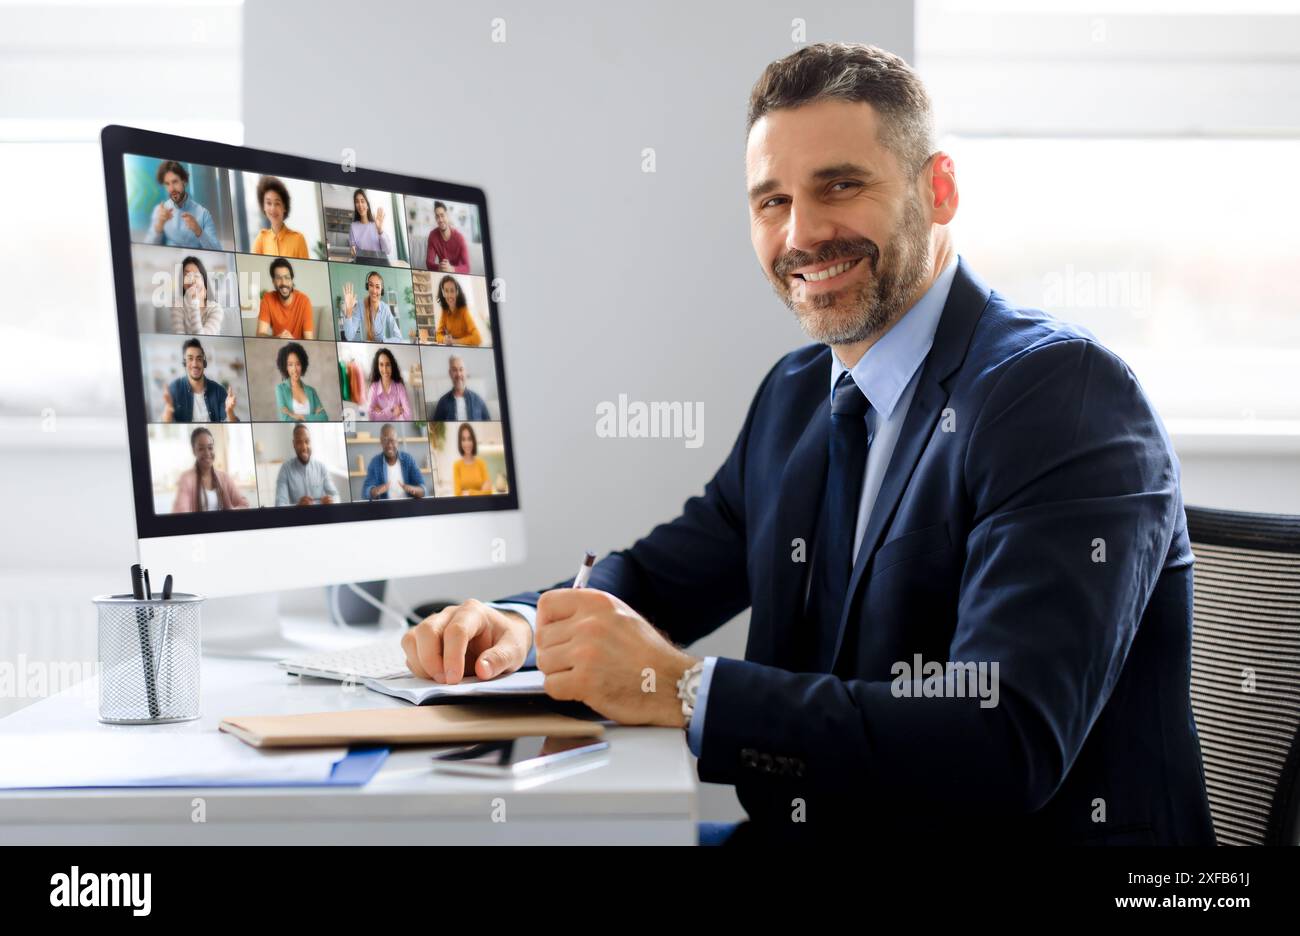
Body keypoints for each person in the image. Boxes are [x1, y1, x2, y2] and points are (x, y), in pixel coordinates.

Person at [399, 43, 1215, 847]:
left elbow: (1004, 743)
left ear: (939, 189)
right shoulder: (797, 395)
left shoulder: (1064, 395)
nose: (803, 233)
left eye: (841, 185)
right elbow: (656, 578)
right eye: (771, 202)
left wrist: (684, 692)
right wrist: (522, 627)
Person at [143, 159, 221, 249]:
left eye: (175, 182)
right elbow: (146, 248)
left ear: (184, 181)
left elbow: (218, 249)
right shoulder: (160, 212)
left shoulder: (203, 214)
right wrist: (159, 226)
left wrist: (198, 231)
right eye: (167, 184)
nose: (171, 189)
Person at [171, 427, 249, 512]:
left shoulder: (224, 477)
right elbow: (180, 513)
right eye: (201, 449)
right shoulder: (186, 479)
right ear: (194, 451)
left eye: (210, 447)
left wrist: (229, 514)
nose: (207, 453)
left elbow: (244, 504)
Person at [162, 338, 238, 423]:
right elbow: (166, 425)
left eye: (199, 359)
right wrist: (168, 409)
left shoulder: (219, 391)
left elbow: (232, 425)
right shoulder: (174, 388)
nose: (195, 364)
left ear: (204, 363)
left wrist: (229, 412)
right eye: (190, 359)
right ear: (184, 363)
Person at [274, 424, 339, 506]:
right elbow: (279, 504)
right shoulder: (285, 469)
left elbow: (335, 495)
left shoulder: (321, 467)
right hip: (298, 518)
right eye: (299, 442)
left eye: (307, 441)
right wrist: (298, 506)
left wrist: (332, 501)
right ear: (294, 444)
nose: (304, 447)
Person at [250, 175, 309, 258]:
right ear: (263, 206)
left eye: (277, 203)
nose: (273, 208)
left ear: (284, 207)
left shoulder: (298, 239)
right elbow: (254, 268)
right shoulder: (261, 239)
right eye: (268, 203)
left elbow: (305, 269)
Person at [361, 423, 425, 500]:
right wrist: (376, 491)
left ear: (397, 441)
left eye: (392, 440)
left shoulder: (408, 459)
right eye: (385, 440)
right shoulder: (375, 463)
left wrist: (413, 489)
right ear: (381, 442)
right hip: (385, 509)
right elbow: (365, 492)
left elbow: (423, 489)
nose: (390, 445)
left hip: (408, 507)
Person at [256, 258, 315, 339]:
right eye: (278, 278)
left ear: (292, 280)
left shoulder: (304, 301)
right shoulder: (267, 299)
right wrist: (278, 339)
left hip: (298, 350)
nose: (283, 283)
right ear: (273, 281)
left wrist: (292, 341)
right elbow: (260, 335)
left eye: (287, 277)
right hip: (277, 348)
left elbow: (309, 341)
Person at [273, 341, 328, 422]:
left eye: (298, 364)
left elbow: (324, 418)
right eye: (290, 364)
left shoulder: (311, 391)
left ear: (302, 365)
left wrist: (298, 416)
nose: (294, 369)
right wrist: (313, 417)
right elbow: (285, 419)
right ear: (285, 367)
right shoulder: (280, 389)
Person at [339, 272, 401, 342]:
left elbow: (398, 337)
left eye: (377, 287)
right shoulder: (360, 305)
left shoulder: (385, 308)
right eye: (371, 285)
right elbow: (349, 337)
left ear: (381, 290)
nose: (374, 291)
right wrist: (349, 311)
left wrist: (383, 341)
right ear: (367, 287)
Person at [170, 255, 224, 335]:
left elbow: (203, 339)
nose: (192, 280)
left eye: (196, 275)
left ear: (203, 280)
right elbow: (179, 339)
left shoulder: (216, 309)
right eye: (187, 275)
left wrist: (194, 303)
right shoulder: (177, 306)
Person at [431, 355, 490, 421]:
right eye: (454, 370)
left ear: (466, 372)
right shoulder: (442, 403)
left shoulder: (478, 401)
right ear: (450, 373)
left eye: (461, 369)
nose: (458, 374)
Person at [364, 347, 411, 421]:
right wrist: (391, 412)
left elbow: (408, 415)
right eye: (381, 365)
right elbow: (370, 416)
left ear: (392, 366)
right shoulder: (373, 388)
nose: (385, 369)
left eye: (388, 364)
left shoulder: (399, 387)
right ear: (377, 367)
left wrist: (381, 412)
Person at [433, 275, 482, 346]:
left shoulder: (464, 310)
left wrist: (454, 341)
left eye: (452, 291)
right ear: (443, 293)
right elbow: (438, 335)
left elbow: (477, 338)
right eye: (446, 291)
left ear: (457, 292)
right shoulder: (445, 311)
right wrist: (444, 339)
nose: (449, 295)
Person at [425, 201, 470, 273]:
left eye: (442, 215)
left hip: (456, 274)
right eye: (437, 216)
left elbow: (467, 267)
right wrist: (440, 267)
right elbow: (429, 263)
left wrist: (452, 269)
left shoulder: (459, 238)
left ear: (447, 216)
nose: (440, 220)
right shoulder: (433, 236)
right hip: (441, 272)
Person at [348, 189, 391, 259]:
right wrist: (352, 251)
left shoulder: (377, 224)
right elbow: (353, 253)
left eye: (362, 201)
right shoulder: (353, 227)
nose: (360, 205)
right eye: (357, 202)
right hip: (362, 264)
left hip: (379, 264)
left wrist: (380, 230)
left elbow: (387, 251)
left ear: (367, 204)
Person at [451, 423, 492, 496]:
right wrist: (480, 491)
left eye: (469, 439)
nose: (467, 443)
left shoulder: (481, 463)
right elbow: (457, 495)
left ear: (473, 440)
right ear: (460, 442)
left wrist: (469, 492)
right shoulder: (456, 465)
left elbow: (489, 492)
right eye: (463, 439)